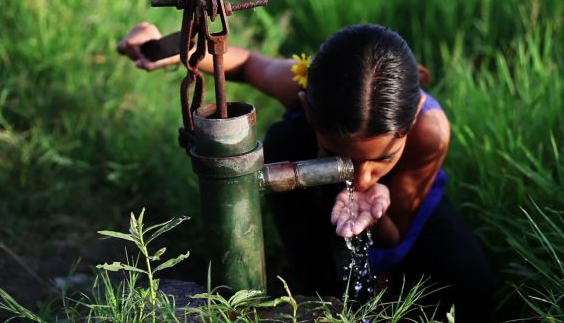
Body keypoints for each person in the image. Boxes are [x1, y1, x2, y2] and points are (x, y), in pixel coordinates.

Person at [119, 22, 495, 322]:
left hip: (399, 213)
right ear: (308, 107)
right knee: (283, 140)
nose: (362, 177)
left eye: (381, 158)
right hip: (319, 189)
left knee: (472, 288)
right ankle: (313, 283)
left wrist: (376, 207)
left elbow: (394, 235)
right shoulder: (303, 87)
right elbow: (249, 64)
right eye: (339, 153)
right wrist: (166, 48)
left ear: (410, 123)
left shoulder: (430, 132)